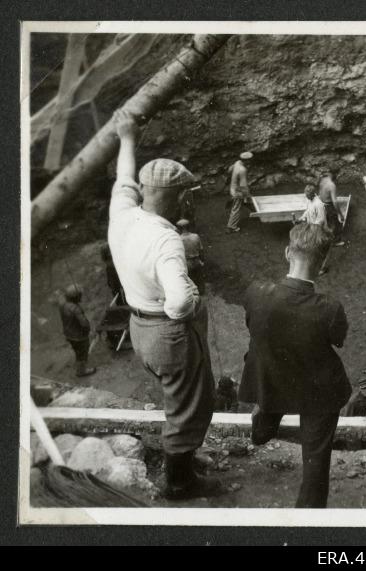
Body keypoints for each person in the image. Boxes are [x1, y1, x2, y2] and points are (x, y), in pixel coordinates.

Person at [107, 109, 220, 501]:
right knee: (188, 405)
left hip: (139, 326)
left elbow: (123, 178)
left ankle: (184, 459)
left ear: (143, 191)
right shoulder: (167, 241)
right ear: (182, 197)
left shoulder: (122, 214)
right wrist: (191, 298)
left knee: (177, 398)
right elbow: (178, 304)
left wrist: (126, 137)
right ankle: (180, 482)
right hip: (167, 331)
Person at [239, 223, 350, 508]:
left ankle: (263, 426)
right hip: (317, 391)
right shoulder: (329, 308)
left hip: (271, 380)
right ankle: (308, 517)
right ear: (324, 262)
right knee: (316, 459)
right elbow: (338, 340)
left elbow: (254, 328)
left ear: (288, 252)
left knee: (272, 371)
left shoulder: (256, 292)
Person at [57, 284, 96, 378]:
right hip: (79, 336)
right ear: (76, 297)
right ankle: (81, 371)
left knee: (77, 351)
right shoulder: (75, 309)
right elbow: (84, 324)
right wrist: (89, 331)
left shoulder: (63, 305)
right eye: (80, 295)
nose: (81, 297)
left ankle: (79, 364)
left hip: (69, 334)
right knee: (83, 353)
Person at [176, 219, 205, 295]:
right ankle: (201, 292)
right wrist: (202, 260)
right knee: (199, 277)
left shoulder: (178, 239)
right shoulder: (195, 236)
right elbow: (201, 250)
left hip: (186, 262)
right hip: (196, 260)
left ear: (180, 228)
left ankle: (192, 294)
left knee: (189, 279)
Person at [226, 151, 253, 233]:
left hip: (233, 187)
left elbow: (230, 169)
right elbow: (243, 185)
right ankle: (231, 226)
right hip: (238, 191)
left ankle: (256, 213)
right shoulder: (243, 170)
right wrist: (247, 194)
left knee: (247, 201)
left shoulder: (237, 163)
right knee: (236, 208)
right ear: (247, 160)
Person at [318, 171, 345, 246]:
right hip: (329, 205)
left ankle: (324, 238)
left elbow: (319, 193)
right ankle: (335, 242)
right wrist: (340, 214)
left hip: (321, 203)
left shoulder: (322, 180)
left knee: (326, 223)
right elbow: (335, 202)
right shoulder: (331, 185)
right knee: (336, 224)